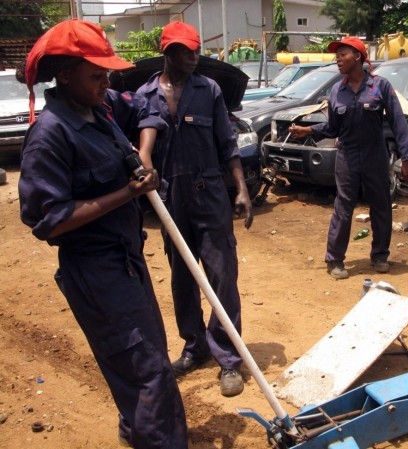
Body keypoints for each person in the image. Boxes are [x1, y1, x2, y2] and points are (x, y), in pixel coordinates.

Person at [18, 19, 188, 449]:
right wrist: (125, 193)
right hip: (95, 272)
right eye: (96, 74)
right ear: (66, 74)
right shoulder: (51, 135)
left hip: (127, 260)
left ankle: (137, 430)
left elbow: (148, 111)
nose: (106, 82)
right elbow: (48, 220)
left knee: (141, 363)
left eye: (108, 73)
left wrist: (144, 152)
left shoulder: (101, 106)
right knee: (149, 370)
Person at [136, 21, 253, 397]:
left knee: (221, 277)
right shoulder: (145, 95)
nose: (194, 56)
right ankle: (194, 346)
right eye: (186, 51)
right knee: (182, 279)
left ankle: (229, 359)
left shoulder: (210, 90)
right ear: (168, 53)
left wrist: (242, 189)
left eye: (196, 49)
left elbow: (227, 143)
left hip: (210, 196)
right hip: (172, 201)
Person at [289, 36, 408, 280]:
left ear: (357, 57)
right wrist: (308, 130)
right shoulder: (338, 90)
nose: (337, 59)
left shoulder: (381, 86)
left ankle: (380, 256)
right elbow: (332, 128)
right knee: (343, 207)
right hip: (347, 156)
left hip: (375, 155)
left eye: (342, 54)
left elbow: (398, 123)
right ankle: (334, 259)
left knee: (380, 206)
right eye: (337, 55)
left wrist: (407, 158)